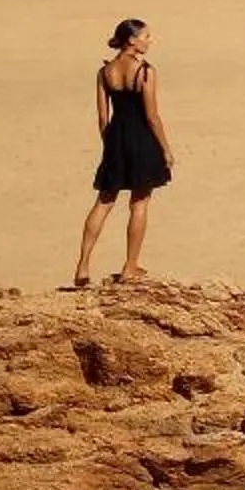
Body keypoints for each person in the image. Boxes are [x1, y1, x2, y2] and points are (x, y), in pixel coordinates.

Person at [70, 19, 173, 288]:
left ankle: (83, 265)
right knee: (139, 203)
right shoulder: (146, 71)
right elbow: (152, 117)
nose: (150, 41)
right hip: (142, 140)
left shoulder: (105, 72)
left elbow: (103, 118)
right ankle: (130, 265)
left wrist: (111, 146)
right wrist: (165, 149)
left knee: (104, 201)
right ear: (132, 40)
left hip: (115, 139)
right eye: (146, 36)